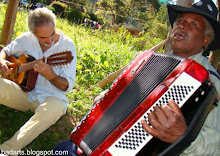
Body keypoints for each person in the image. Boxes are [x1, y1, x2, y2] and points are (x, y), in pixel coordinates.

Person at [53, 0, 220, 155]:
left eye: (193, 24)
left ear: (205, 39)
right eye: (180, 21)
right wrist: (105, 100)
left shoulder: (211, 83)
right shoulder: (152, 60)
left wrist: (183, 137)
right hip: (106, 145)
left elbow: (217, 144)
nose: (182, 26)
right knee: (63, 150)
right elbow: (129, 98)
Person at [0, 7, 77, 155]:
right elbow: (6, 51)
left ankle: (7, 151)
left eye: (52, 34)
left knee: (53, 110)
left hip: (52, 98)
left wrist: (51, 76)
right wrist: (2, 61)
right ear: (34, 34)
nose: (49, 40)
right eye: (43, 38)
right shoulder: (26, 38)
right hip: (24, 93)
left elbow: (66, 86)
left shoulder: (67, 47)